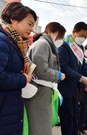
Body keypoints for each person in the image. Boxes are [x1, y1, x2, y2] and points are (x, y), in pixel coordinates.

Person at [0, 2, 37, 135]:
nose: (32, 29)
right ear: (13, 19)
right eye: (29, 24)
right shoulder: (3, 40)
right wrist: (23, 78)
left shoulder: (14, 42)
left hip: (9, 108)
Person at [25, 22, 66, 135]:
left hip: (43, 91)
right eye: (59, 36)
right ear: (50, 32)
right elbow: (41, 69)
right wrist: (57, 75)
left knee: (42, 126)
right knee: (40, 127)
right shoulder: (43, 44)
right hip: (39, 92)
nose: (60, 39)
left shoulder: (47, 45)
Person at [57, 22, 87, 135]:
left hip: (74, 89)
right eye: (82, 35)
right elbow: (63, 67)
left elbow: (83, 64)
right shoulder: (63, 44)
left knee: (75, 115)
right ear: (74, 32)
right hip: (65, 88)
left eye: (86, 36)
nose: (83, 38)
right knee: (67, 118)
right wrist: (81, 79)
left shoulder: (80, 47)